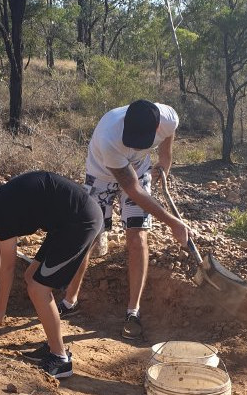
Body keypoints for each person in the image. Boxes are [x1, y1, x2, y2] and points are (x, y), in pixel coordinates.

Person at [0, 171, 103, 379]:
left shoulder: (3, 210)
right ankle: (52, 346)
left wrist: (0, 309)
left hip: (80, 222)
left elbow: (8, 267)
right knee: (31, 277)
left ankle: (60, 359)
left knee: (38, 287)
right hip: (63, 224)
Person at [58, 99, 190, 340]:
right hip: (102, 175)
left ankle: (133, 311)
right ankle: (70, 300)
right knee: (86, 239)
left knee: (137, 237)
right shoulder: (110, 135)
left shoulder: (168, 117)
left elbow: (169, 137)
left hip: (139, 172)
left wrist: (164, 163)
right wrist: (173, 222)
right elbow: (132, 190)